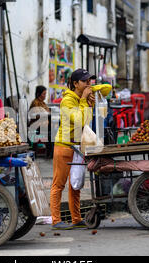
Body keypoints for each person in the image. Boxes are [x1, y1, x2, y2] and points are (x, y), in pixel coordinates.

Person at [50, 69, 111, 230]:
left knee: (75, 184)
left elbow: (107, 88)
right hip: (64, 146)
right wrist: (84, 99)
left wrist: (92, 89)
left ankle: (76, 218)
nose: (88, 84)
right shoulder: (67, 101)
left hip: (78, 146)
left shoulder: (84, 94)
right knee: (59, 184)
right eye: (85, 81)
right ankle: (56, 220)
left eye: (90, 80)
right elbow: (80, 120)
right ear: (75, 83)